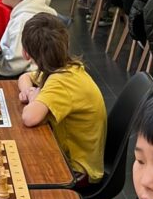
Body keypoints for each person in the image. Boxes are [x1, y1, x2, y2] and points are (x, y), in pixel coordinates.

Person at [17, 13, 106, 187]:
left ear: (26, 53)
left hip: (78, 170)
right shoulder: (66, 68)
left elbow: (29, 118)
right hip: (78, 157)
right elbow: (25, 77)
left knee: (19, 171)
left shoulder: (61, 81)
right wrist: (28, 91)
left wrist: (34, 99)